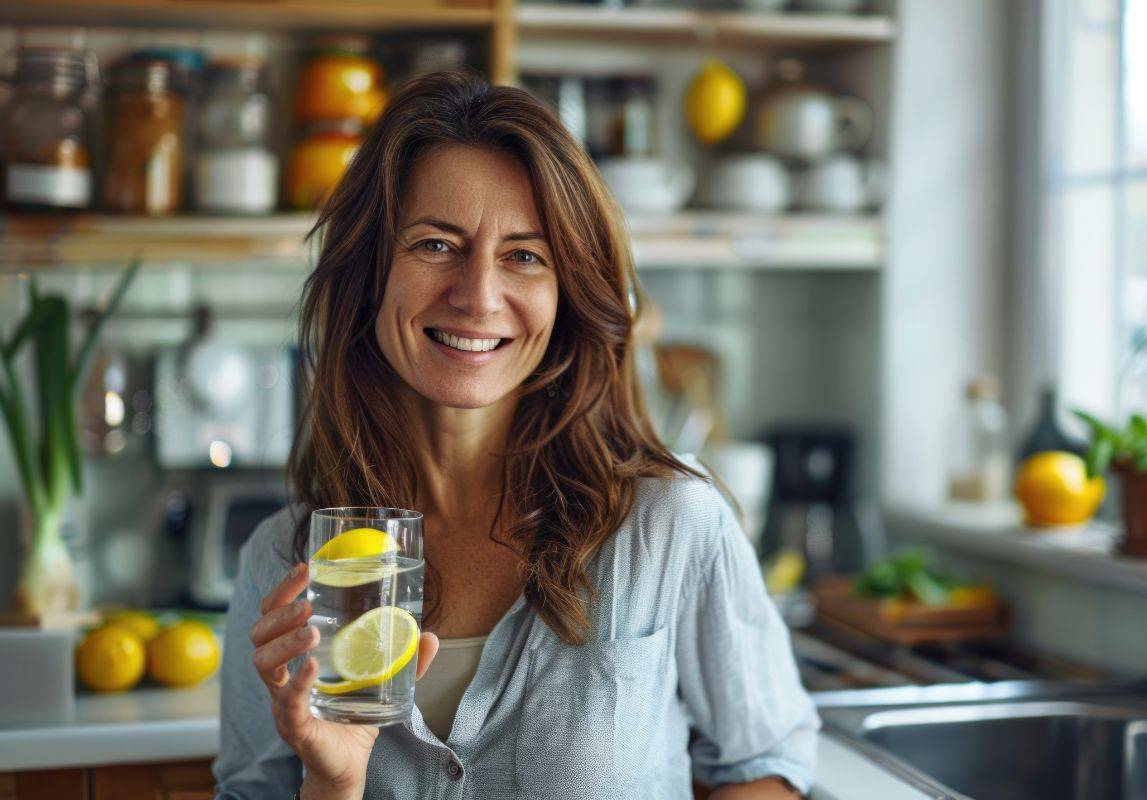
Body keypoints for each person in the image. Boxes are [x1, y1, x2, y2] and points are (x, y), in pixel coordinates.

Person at [213, 70, 819, 800]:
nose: (477, 296)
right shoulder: (284, 563)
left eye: (525, 256)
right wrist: (331, 782)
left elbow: (765, 766)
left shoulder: (671, 522)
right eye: (437, 245)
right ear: (369, 273)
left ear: (567, 295)